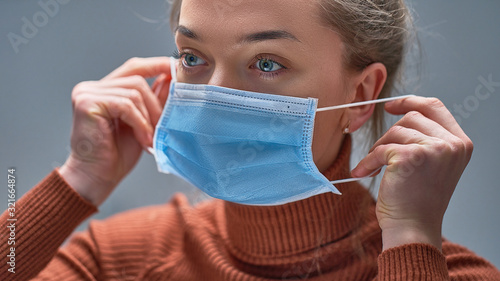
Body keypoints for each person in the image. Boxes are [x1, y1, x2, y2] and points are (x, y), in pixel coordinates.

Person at [1, 0, 499, 280]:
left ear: (361, 94)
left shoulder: (444, 273)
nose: (214, 100)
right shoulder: (118, 259)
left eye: (266, 64)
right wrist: (77, 181)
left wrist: (411, 236)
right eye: (193, 57)